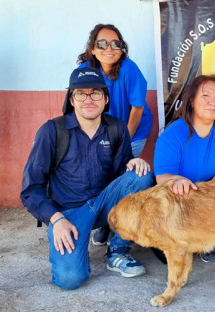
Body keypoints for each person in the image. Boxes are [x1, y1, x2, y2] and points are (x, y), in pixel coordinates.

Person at [20, 67, 153, 290]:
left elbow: (124, 173)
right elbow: (30, 188)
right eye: (81, 93)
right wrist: (56, 219)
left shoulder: (117, 128)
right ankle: (81, 238)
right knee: (69, 280)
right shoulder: (52, 131)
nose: (88, 99)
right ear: (71, 99)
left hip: (104, 203)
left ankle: (118, 249)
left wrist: (133, 163)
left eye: (96, 93)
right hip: (69, 214)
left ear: (106, 98)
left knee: (142, 175)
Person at [154, 74, 215, 263]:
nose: (212, 102)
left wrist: (210, 188)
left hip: (214, 197)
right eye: (205, 96)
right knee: (171, 253)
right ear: (192, 102)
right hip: (182, 200)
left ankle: (208, 239)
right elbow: (162, 176)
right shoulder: (173, 133)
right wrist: (177, 180)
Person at [77, 24, 153, 245]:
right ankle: (105, 223)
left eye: (115, 43)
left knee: (127, 179)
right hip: (100, 135)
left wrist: (124, 141)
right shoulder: (86, 71)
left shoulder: (129, 69)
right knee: (103, 178)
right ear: (92, 48)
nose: (109, 48)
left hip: (132, 131)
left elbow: (137, 108)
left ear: (122, 48)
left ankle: (120, 231)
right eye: (102, 43)